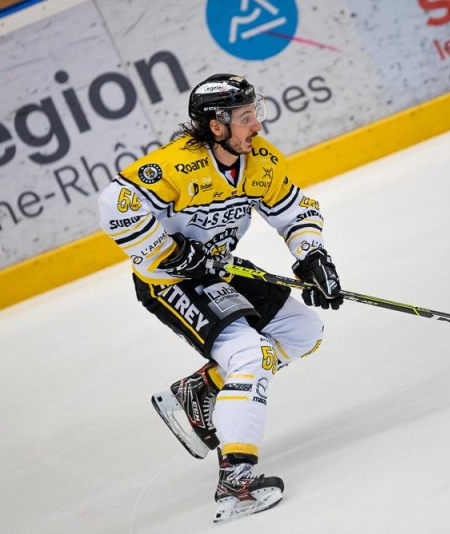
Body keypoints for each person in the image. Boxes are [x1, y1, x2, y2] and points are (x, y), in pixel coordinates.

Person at [97, 73, 343, 522]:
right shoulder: (178, 164)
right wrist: (171, 252)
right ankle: (236, 483)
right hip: (168, 281)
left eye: (256, 114)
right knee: (250, 357)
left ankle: (201, 390)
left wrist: (312, 255)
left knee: (302, 330)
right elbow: (116, 204)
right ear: (216, 125)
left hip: (217, 270)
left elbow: (295, 212)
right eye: (247, 117)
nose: (258, 127)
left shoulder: (261, 161)